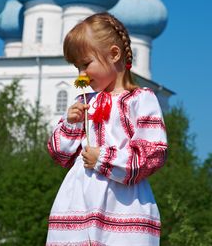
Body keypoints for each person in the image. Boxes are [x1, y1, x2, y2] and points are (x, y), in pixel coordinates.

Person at [46, 12, 168, 246]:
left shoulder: (140, 100)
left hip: (122, 203)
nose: (81, 75)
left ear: (114, 54)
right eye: (76, 67)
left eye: (85, 64)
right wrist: (71, 123)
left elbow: (152, 154)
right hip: (78, 203)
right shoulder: (84, 101)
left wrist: (103, 158)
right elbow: (60, 155)